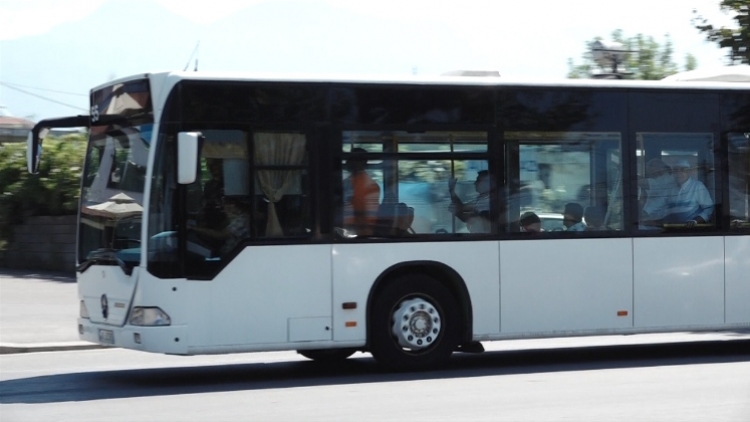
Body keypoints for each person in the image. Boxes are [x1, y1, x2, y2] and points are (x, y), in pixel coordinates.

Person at [343, 148, 381, 235]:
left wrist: (362, 235)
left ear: (360, 162)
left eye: (349, 160)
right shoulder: (354, 180)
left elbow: (360, 211)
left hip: (356, 231)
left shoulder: (363, 183)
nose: (346, 163)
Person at [664, 159, 714, 227]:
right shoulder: (670, 188)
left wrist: (695, 221)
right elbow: (662, 207)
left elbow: (709, 209)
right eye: (676, 170)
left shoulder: (697, 186)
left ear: (689, 172)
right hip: (672, 229)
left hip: (691, 231)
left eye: (683, 170)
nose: (679, 173)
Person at [640, 158, 677, 225]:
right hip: (652, 217)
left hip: (661, 219)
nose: (649, 171)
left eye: (651, 167)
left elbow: (645, 183)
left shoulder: (667, 179)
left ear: (660, 168)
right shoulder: (659, 179)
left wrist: (628, 173)